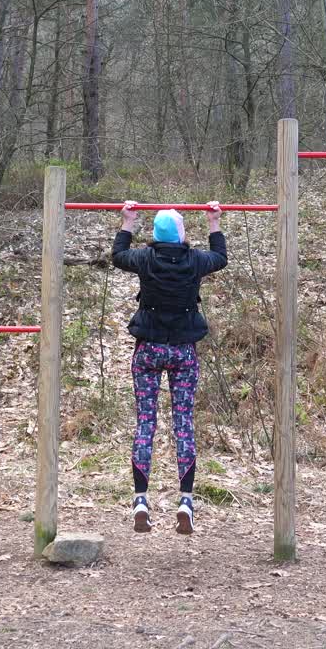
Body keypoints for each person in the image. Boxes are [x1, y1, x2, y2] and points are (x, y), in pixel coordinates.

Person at [111, 200, 226, 534]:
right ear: (180, 235)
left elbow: (119, 256)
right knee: (183, 424)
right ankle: (186, 501)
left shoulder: (146, 259)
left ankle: (141, 500)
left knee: (146, 424)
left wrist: (128, 222)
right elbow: (221, 257)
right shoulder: (194, 261)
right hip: (183, 353)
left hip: (148, 350)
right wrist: (214, 222)